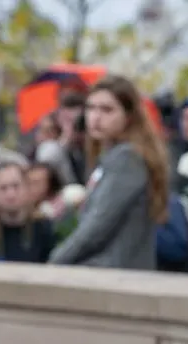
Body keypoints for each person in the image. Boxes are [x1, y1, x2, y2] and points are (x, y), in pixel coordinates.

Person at [49, 75, 170, 270]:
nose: (95, 117)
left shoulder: (127, 159)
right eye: (90, 108)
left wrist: (54, 261)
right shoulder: (112, 156)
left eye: (107, 110)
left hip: (116, 275)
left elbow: (98, 226)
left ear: (128, 116)